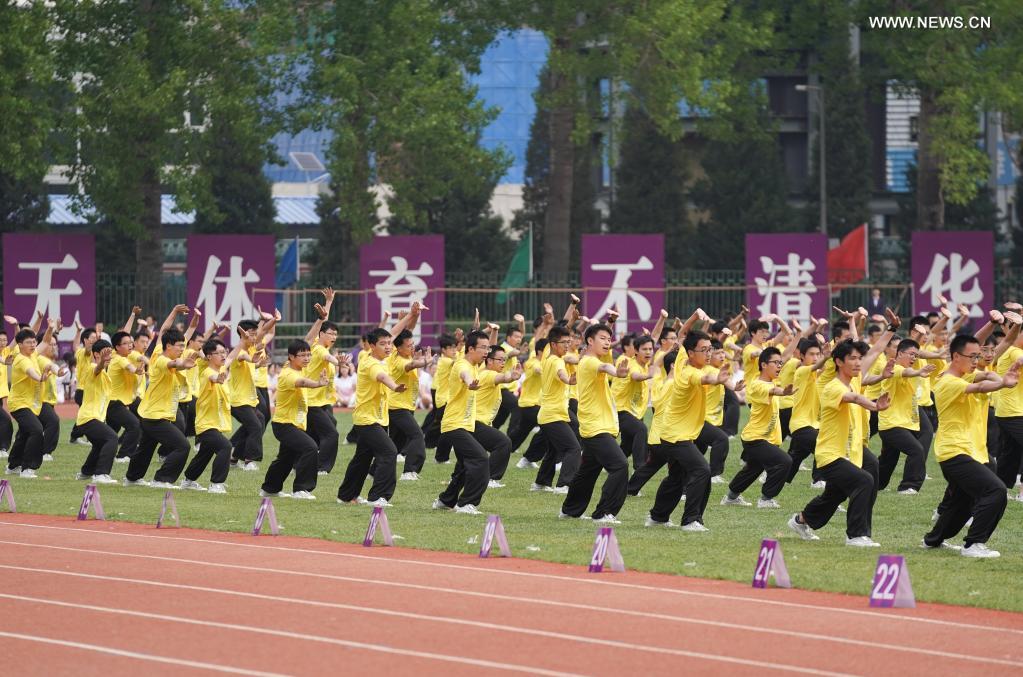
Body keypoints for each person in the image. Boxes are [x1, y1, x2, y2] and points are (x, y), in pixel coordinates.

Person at [787, 338, 892, 547]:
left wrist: (891, 330)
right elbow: (853, 398)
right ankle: (856, 535)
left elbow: (875, 351)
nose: (857, 362)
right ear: (838, 362)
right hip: (831, 455)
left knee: (835, 494)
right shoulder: (832, 387)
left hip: (851, 451)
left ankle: (801, 520)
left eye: (859, 359)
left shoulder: (854, 379)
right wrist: (874, 406)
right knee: (864, 481)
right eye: (851, 358)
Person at [923, 334, 1021, 558]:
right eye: (972, 356)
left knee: (961, 501)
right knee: (995, 491)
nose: (977, 360)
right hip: (954, 452)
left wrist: (1000, 377)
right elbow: (979, 388)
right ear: (956, 357)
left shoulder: (967, 375)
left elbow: (985, 375)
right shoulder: (948, 382)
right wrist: (1003, 384)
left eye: (979, 355)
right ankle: (974, 544)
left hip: (971, 451)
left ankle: (932, 540)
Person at [647, 330, 731, 531]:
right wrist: (718, 379)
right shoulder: (688, 372)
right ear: (691, 353)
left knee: (677, 477)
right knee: (702, 470)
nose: (708, 353)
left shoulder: (688, 360)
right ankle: (690, 520)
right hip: (675, 435)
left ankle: (657, 517)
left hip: (677, 432)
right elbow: (705, 379)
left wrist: (695, 317)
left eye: (710, 349)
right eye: (704, 350)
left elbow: (684, 333)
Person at [558, 323, 632, 523]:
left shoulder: (588, 360)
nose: (607, 342)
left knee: (587, 472)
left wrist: (616, 371)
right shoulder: (590, 362)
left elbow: (605, 365)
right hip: (595, 428)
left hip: (597, 425)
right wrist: (617, 372)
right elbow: (605, 367)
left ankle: (570, 510)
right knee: (620, 465)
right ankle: (604, 513)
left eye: (609, 339)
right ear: (590, 341)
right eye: (602, 338)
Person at [336, 323, 412, 507]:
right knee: (389, 451)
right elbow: (382, 377)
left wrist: (412, 315)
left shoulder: (382, 357)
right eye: (383, 344)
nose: (388, 346)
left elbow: (393, 333)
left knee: (362, 458)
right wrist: (395, 387)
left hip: (376, 418)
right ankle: (378, 497)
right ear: (371, 346)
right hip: (367, 420)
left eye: (389, 343)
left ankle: (346, 495)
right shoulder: (370, 363)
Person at [261, 340, 336, 500]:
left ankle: (270, 489)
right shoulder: (288, 374)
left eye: (308, 354)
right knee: (310, 447)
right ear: (291, 357)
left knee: (286, 458)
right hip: (284, 424)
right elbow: (301, 382)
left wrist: (321, 320)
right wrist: (317, 384)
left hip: (295, 423)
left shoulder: (301, 369)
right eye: (302, 355)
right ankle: (301, 489)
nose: (307, 358)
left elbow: (309, 339)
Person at [720, 346, 794, 509]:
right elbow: (774, 390)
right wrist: (784, 392)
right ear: (763, 365)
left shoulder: (772, 382)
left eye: (780, 363)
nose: (779, 366)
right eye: (775, 363)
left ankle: (731, 497)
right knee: (785, 461)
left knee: (753, 469)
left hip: (764, 438)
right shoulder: (758, 385)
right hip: (755, 438)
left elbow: (787, 355)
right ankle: (766, 499)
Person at [123, 328, 197, 488]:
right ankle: (161, 479)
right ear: (168, 346)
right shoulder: (162, 361)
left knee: (146, 448)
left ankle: (132, 478)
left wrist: (191, 325)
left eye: (183, 346)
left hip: (153, 415)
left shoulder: (166, 359)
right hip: (154, 418)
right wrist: (183, 364)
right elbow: (174, 363)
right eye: (179, 346)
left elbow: (177, 363)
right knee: (182, 446)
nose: (182, 350)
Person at [432, 330, 493, 514]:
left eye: (488, 348)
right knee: (480, 458)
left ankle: (445, 500)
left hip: (465, 425)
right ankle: (466, 503)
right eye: (483, 348)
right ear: (471, 348)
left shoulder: (475, 364)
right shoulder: (462, 365)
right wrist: (470, 383)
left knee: (464, 466)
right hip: (455, 425)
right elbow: (465, 375)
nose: (486, 351)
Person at [874, 338, 936, 494]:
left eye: (916, 355)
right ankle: (909, 486)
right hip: (891, 425)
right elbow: (906, 372)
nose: (914, 358)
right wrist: (918, 372)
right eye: (911, 354)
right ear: (900, 353)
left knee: (888, 459)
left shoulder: (910, 370)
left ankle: (875, 485)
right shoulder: (894, 369)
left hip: (903, 423)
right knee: (916, 450)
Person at [532, 325, 582, 493]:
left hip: (552, 413)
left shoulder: (547, 356)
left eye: (569, 342)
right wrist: (568, 380)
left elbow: (562, 328)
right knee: (573, 448)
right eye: (564, 343)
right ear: (553, 344)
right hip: (552, 415)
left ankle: (541, 483)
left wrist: (574, 319)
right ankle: (563, 485)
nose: (567, 345)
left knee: (554, 449)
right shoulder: (557, 361)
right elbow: (561, 373)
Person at [5, 326, 54, 477]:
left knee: (25, 434)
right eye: (29, 342)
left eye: (34, 342)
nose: (33, 345)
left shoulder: (33, 355)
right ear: (20, 344)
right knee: (36, 430)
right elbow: (31, 372)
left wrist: (50, 328)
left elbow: (45, 341)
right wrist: (41, 378)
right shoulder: (21, 359)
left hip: (30, 404)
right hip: (19, 404)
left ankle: (13, 466)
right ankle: (27, 468)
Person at [229, 316, 276, 470]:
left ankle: (234, 455)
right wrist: (253, 360)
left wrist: (274, 320)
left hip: (249, 399)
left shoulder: (250, 348)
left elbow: (264, 332)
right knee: (255, 426)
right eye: (251, 333)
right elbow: (244, 358)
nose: (255, 336)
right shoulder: (240, 352)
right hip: (238, 400)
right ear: (243, 334)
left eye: (255, 333)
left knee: (260, 420)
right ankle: (249, 460)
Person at [474, 344, 522, 488]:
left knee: (473, 458)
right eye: (500, 360)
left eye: (504, 360)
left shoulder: (485, 373)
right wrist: (511, 377)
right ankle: (490, 478)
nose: (503, 363)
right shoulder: (489, 374)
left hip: (476, 422)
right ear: (489, 361)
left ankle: (457, 479)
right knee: (503, 443)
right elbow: (503, 378)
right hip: (475, 423)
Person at [74, 340, 119, 484]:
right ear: (96, 354)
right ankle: (101, 474)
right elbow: (97, 368)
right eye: (105, 353)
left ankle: (85, 472)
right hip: (88, 418)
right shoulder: (92, 367)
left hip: (94, 418)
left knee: (100, 445)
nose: (109, 356)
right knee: (112, 438)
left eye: (110, 353)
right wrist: (101, 362)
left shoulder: (106, 376)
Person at [389, 330, 431, 480]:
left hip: (405, 406)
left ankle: (373, 472)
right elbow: (412, 365)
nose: (412, 347)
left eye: (413, 344)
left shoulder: (403, 355)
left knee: (393, 444)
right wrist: (425, 361)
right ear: (399, 349)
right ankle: (409, 471)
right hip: (397, 407)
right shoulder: (400, 361)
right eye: (408, 346)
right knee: (417, 435)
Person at [785, 337, 827, 488]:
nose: (815, 357)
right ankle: (818, 480)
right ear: (801, 356)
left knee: (796, 456)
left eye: (817, 354)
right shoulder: (802, 371)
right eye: (811, 354)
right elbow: (819, 367)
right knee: (822, 445)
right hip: (800, 424)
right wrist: (827, 356)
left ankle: (781, 478)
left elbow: (826, 367)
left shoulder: (816, 374)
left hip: (813, 423)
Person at [613, 334, 656, 472]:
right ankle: (640, 469)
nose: (648, 352)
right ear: (636, 350)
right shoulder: (631, 364)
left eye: (650, 349)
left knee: (627, 445)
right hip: (620, 409)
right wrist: (648, 375)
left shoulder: (645, 363)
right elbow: (635, 376)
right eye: (645, 349)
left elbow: (653, 337)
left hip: (633, 411)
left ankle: (611, 464)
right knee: (641, 429)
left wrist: (662, 318)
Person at [106, 331, 144, 462]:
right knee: (134, 425)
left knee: (110, 433)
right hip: (114, 403)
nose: (130, 345)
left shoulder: (129, 355)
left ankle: (104, 452)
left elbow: (138, 358)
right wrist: (136, 370)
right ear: (117, 347)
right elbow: (128, 367)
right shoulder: (118, 359)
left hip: (124, 401)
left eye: (130, 342)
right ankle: (123, 456)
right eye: (125, 343)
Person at [0, 329, 13, 457]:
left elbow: (17, 341)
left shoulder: (6, 351)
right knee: (5, 421)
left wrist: (15, 326)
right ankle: (3, 449)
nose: (3, 342)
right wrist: (5, 361)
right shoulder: (3, 356)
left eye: (4, 340)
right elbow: (2, 360)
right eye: (0, 340)